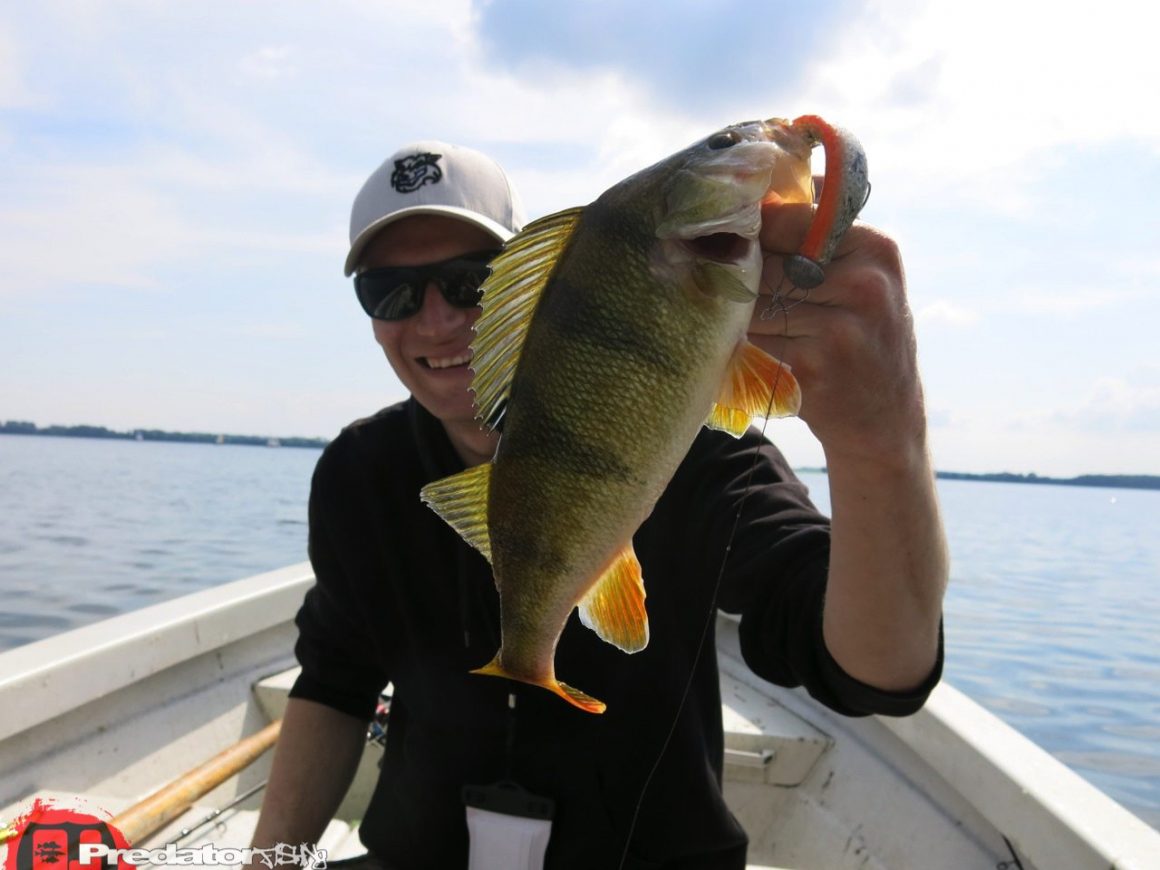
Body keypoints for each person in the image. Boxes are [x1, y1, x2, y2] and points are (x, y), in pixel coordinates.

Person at [249, 139, 948, 870]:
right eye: (389, 290)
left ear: (533, 279)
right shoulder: (361, 471)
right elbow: (334, 680)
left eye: (467, 280)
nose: (432, 319)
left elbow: (875, 671)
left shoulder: (689, 451)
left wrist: (882, 441)